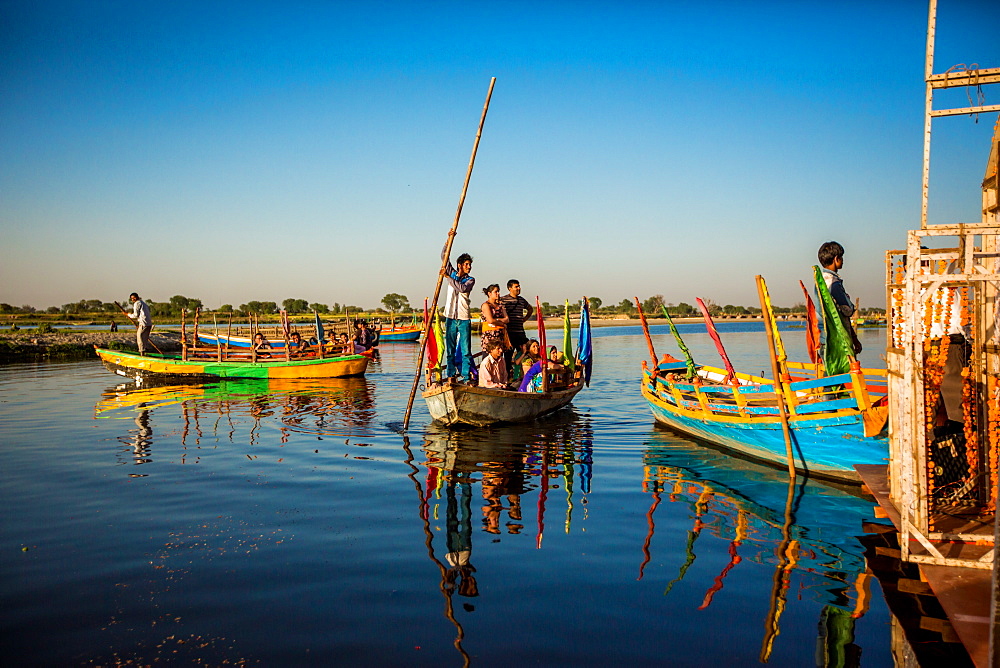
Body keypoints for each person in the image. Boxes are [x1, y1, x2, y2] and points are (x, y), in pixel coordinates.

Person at [817, 241, 862, 355]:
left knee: (829, 371)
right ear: (836, 259)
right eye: (841, 258)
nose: (843, 260)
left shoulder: (820, 280)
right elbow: (848, 310)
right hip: (838, 339)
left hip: (823, 337)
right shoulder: (834, 282)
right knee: (843, 371)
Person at [441, 235, 475, 380]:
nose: (469, 267)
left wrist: (447, 277)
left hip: (463, 318)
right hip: (450, 317)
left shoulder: (470, 280)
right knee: (450, 349)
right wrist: (448, 240)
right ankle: (450, 375)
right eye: (467, 264)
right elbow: (444, 256)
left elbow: (461, 288)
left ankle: (466, 377)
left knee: (466, 350)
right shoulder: (453, 273)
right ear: (460, 265)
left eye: (470, 264)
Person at [499, 279, 533, 373]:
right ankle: (507, 374)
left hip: (520, 332)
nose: (518, 288)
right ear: (510, 288)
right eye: (516, 286)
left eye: (519, 286)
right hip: (509, 332)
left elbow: (530, 309)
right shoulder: (503, 300)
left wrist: (525, 319)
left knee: (525, 352)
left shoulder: (521, 300)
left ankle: (522, 374)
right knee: (508, 355)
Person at [480, 284, 509, 354]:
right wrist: (502, 323)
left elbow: (507, 319)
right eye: (496, 292)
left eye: (498, 291)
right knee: (488, 355)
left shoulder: (500, 306)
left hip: (500, 335)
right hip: (490, 335)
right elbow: (490, 320)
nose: (498, 294)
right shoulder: (486, 305)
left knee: (499, 355)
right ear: (489, 293)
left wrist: (497, 320)